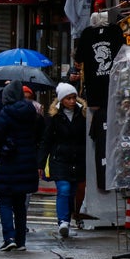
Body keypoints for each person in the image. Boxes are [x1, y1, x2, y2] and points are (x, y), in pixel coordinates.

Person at [0, 80, 43, 251]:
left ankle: (9, 237)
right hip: (27, 162)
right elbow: (37, 134)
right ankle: (21, 240)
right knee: (20, 204)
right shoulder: (31, 111)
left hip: (8, 161)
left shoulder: (6, 112)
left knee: (5, 201)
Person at [38, 82, 87, 238]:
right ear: (61, 100)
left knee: (72, 190)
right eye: (68, 98)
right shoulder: (55, 117)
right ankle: (63, 221)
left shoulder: (83, 114)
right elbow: (46, 140)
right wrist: (41, 162)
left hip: (78, 159)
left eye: (73, 98)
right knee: (64, 189)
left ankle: (69, 216)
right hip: (60, 159)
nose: (72, 101)